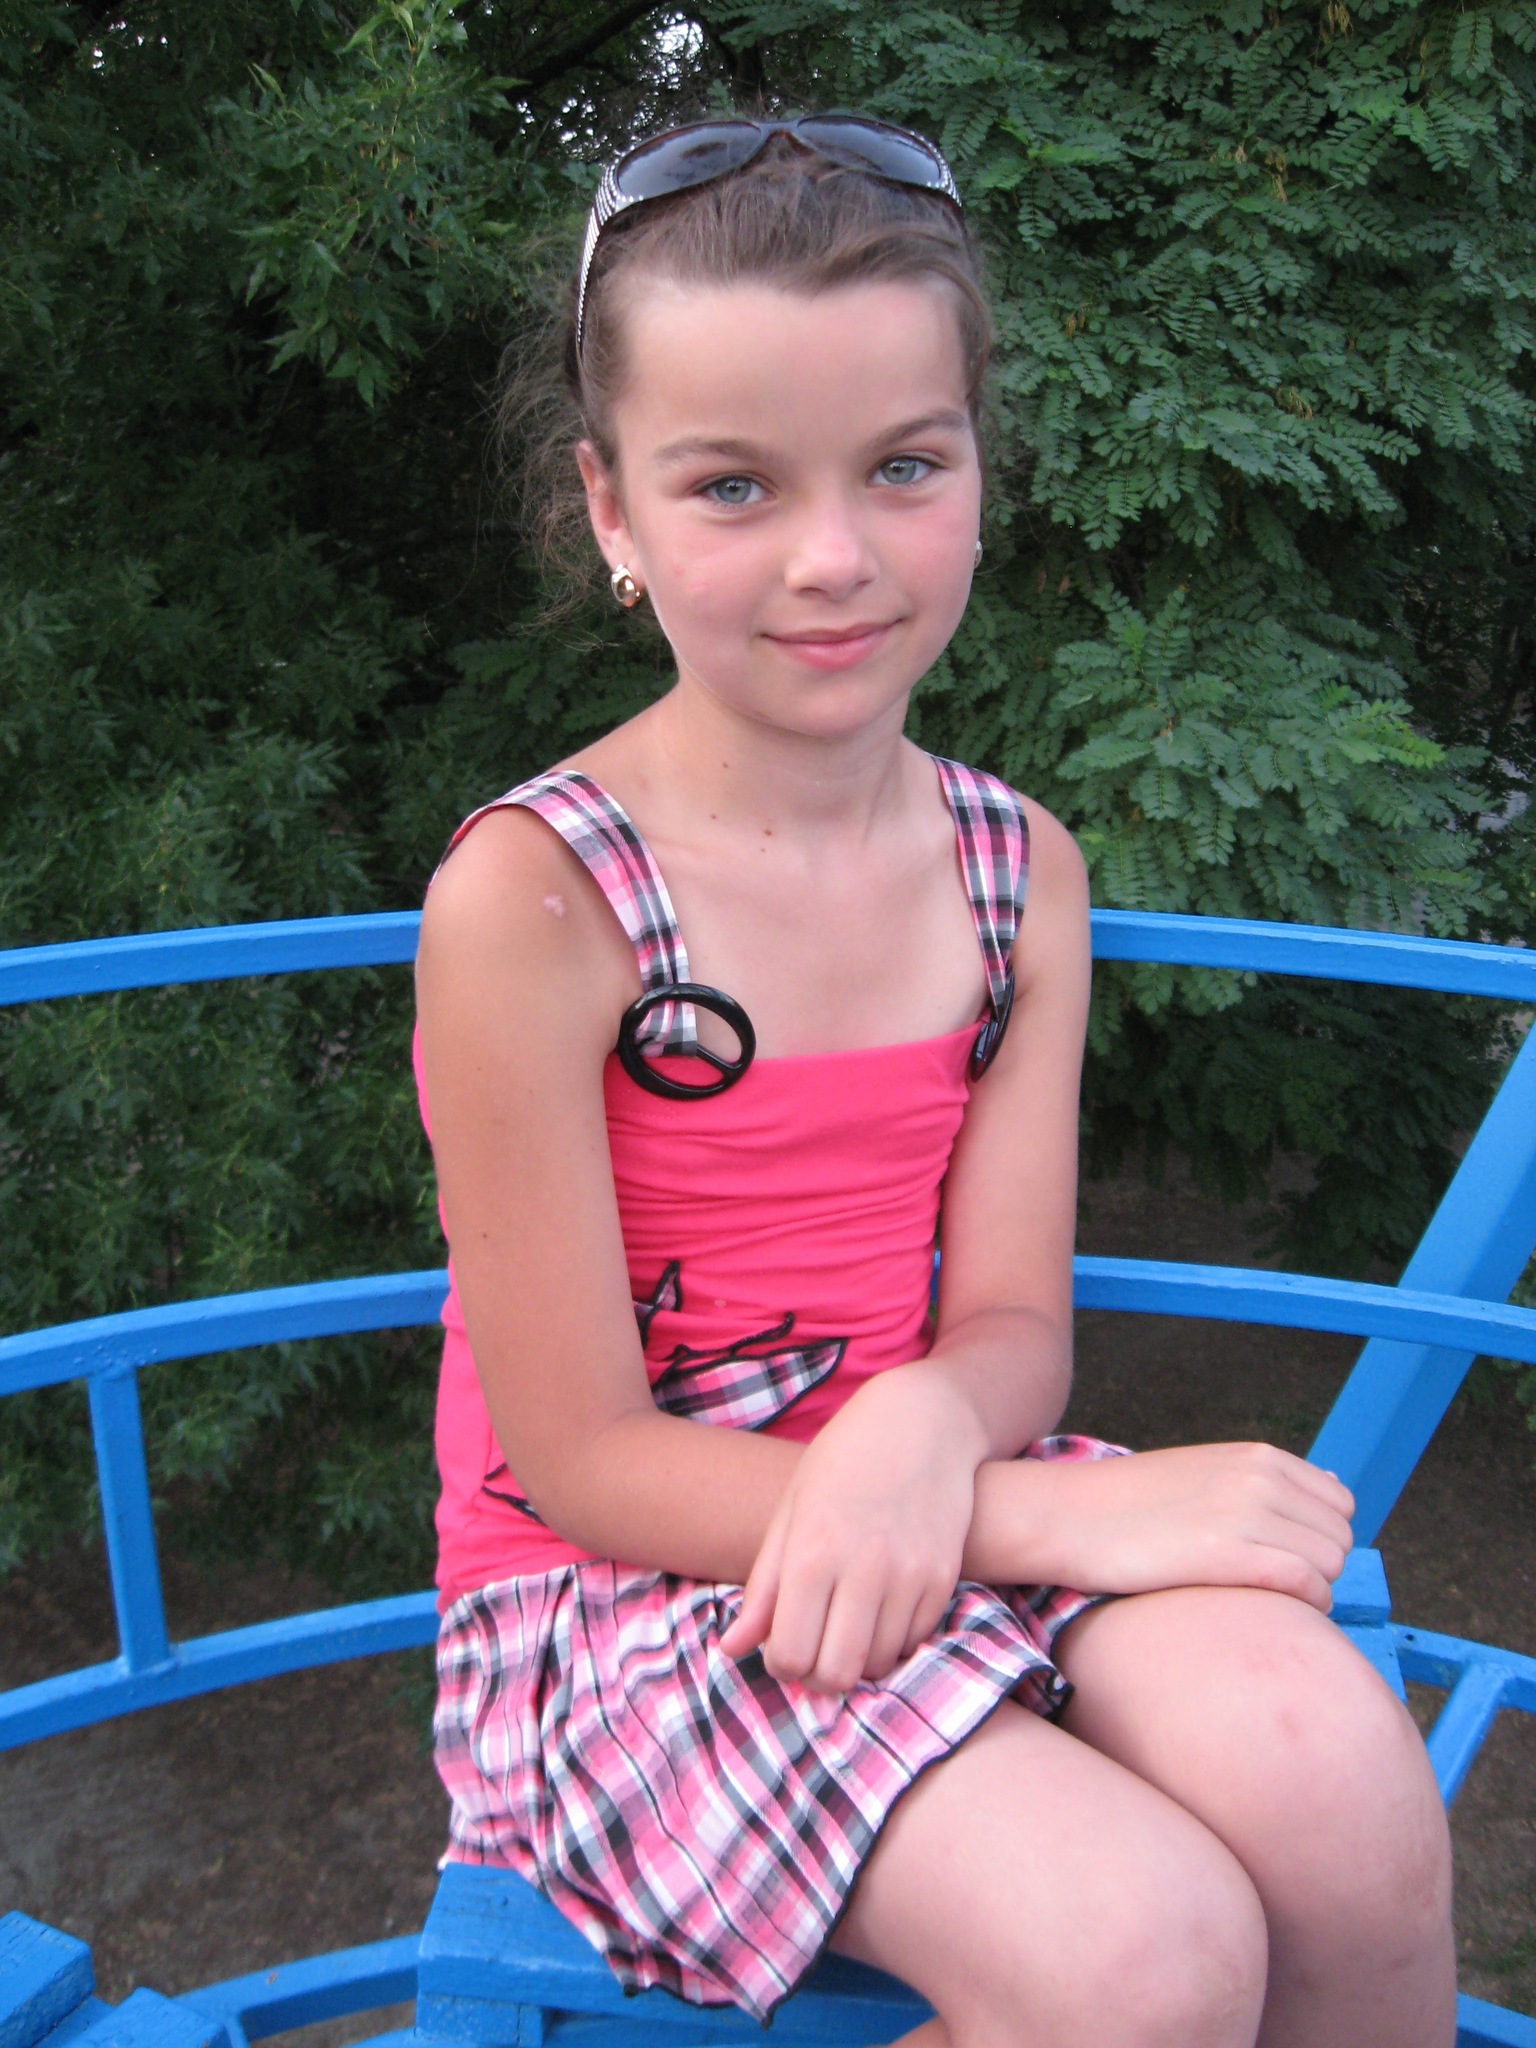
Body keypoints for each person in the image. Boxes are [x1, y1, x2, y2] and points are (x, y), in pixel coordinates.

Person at [413, 112, 1455, 2048]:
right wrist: (1031, 1518)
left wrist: (918, 1431)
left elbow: (1008, 1325)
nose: (834, 558)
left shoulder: (1013, 869)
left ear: (980, 470)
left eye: (904, 466)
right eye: (734, 485)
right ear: (612, 512)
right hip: (627, 1587)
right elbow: (579, 1460)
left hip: (943, 1474)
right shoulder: (539, 900)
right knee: (1146, 1962)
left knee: (1345, 1794)